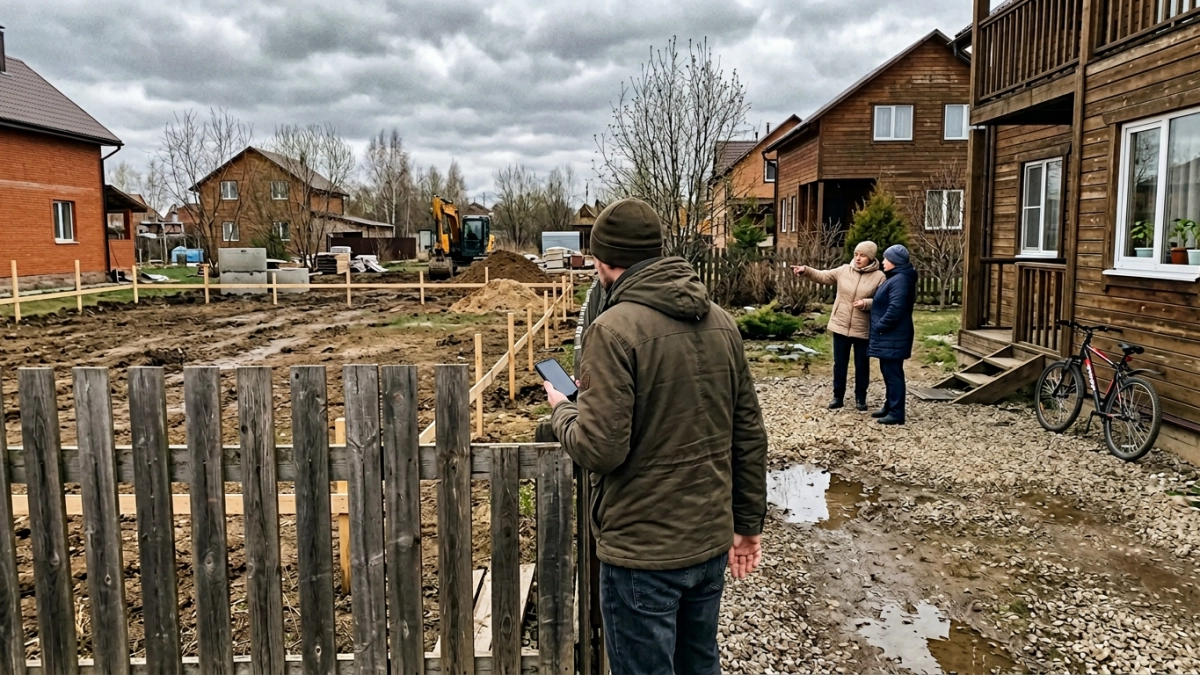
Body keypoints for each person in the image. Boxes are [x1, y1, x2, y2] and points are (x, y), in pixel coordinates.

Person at [542, 198, 769, 675]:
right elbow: (748, 432)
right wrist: (748, 526)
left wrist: (563, 409)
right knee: (699, 664)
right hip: (708, 542)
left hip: (643, 554)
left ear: (603, 261)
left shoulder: (611, 330)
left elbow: (600, 449)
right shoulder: (722, 322)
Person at [791, 241, 885, 411]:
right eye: (856, 254)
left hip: (862, 328)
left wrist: (867, 303)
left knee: (862, 365)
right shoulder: (844, 270)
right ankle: (838, 397)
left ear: (871, 258)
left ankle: (861, 398)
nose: (858, 258)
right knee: (839, 364)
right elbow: (823, 276)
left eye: (862, 255)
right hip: (840, 325)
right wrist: (806, 270)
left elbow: (882, 301)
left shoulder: (879, 277)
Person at [866, 244, 918, 425]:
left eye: (886, 259)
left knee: (893, 374)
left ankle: (896, 412)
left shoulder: (900, 280)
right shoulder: (896, 277)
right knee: (888, 372)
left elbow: (896, 308)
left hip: (893, 335)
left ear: (895, 261)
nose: (883, 262)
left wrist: (880, 325)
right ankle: (889, 406)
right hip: (890, 336)